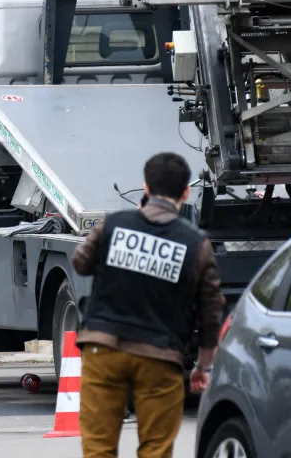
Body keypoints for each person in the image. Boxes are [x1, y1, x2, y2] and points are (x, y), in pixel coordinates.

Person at [72, 152, 224, 458]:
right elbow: (211, 311)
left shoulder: (113, 225)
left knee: (98, 448)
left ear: (145, 187)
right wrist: (203, 365)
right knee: (156, 450)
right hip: (160, 356)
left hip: (104, 349)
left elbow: (80, 263)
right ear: (185, 193)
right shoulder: (196, 244)